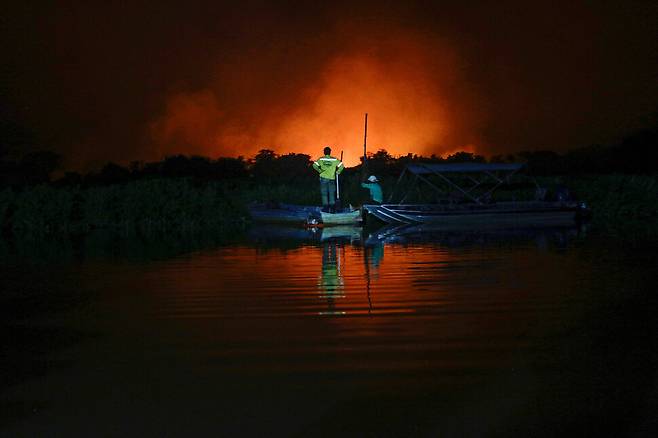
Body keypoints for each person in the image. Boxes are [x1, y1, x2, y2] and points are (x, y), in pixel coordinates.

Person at [313, 146, 344, 212]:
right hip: (331, 179)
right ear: (330, 152)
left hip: (323, 179)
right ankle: (332, 208)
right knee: (331, 193)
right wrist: (338, 171)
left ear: (324, 152)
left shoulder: (321, 159)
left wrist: (319, 170)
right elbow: (341, 165)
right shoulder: (334, 159)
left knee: (324, 194)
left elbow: (314, 165)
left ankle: (326, 208)